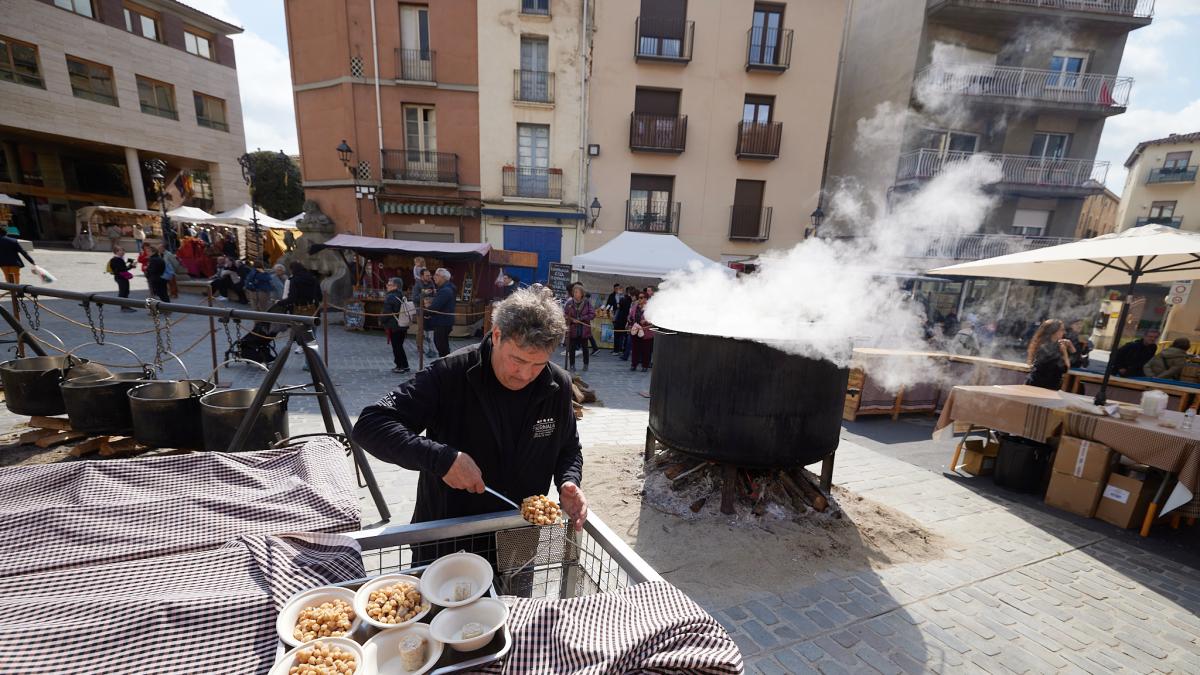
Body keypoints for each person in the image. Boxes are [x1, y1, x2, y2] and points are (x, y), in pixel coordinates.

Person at [351, 286, 587, 537]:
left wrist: (568, 480)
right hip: (448, 536)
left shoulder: (558, 383)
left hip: (518, 537)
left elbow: (568, 447)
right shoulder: (451, 373)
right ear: (497, 335)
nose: (526, 375)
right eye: (517, 360)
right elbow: (371, 424)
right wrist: (441, 459)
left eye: (538, 364)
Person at [1025, 319, 1074, 390]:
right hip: (1041, 387)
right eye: (1062, 330)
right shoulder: (1047, 348)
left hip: (1040, 385)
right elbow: (1065, 368)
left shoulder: (1046, 344)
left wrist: (1070, 346)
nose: (1064, 332)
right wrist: (1064, 351)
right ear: (1053, 331)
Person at [382, 277, 415, 374]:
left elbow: (386, 313)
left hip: (394, 325)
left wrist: (381, 321)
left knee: (396, 346)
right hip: (403, 324)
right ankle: (405, 365)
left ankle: (400, 366)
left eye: (389, 284)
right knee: (399, 346)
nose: (387, 286)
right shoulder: (401, 295)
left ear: (395, 286)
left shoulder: (390, 297)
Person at [563, 284, 596, 372]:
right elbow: (565, 315)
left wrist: (581, 319)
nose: (575, 293)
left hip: (584, 330)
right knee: (572, 348)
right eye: (574, 292)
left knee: (585, 348)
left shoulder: (587, 303)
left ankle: (586, 364)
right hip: (573, 329)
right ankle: (572, 365)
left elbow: (592, 314)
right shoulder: (570, 303)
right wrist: (572, 320)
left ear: (582, 293)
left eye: (577, 292)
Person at [427, 268, 456, 358]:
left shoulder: (445, 290)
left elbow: (435, 307)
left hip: (442, 322)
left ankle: (446, 366)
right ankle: (446, 365)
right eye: (435, 275)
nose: (434, 277)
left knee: (441, 346)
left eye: (437, 275)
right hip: (443, 321)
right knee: (442, 345)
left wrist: (426, 311)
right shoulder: (446, 288)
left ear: (444, 278)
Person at [414, 267, 438, 359]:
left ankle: (431, 347)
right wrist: (424, 293)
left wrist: (435, 293)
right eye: (427, 275)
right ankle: (419, 347)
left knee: (429, 329)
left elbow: (434, 295)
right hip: (420, 310)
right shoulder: (417, 285)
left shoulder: (431, 283)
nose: (429, 277)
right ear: (421, 276)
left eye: (430, 275)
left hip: (430, 310)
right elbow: (415, 298)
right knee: (421, 329)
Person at [628, 291, 654, 372]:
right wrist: (629, 319)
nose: (639, 299)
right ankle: (633, 364)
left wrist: (646, 321)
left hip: (646, 332)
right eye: (639, 297)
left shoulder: (651, 308)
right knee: (635, 349)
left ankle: (645, 365)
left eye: (641, 297)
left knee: (646, 350)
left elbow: (654, 319)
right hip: (636, 330)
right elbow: (630, 315)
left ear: (646, 299)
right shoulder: (635, 306)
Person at [107, 246, 136, 312]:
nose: (123, 252)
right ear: (116, 252)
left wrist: (129, 266)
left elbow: (122, 269)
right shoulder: (117, 259)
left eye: (123, 250)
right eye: (121, 250)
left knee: (125, 291)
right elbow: (121, 269)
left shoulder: (119, 259)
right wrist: (131, 266)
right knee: (123, 292)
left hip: (120, 277)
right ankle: (124, 307)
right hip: (121, 278)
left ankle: (125, 306)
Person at [620, 285, 636, 360]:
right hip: (630, 323)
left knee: (630, 340)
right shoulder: (632, 303)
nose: (631, 297)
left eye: (632, 296)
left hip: (634, 324)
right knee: (629, 340)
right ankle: (626, 355)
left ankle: (626, 355)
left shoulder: (635, 303)